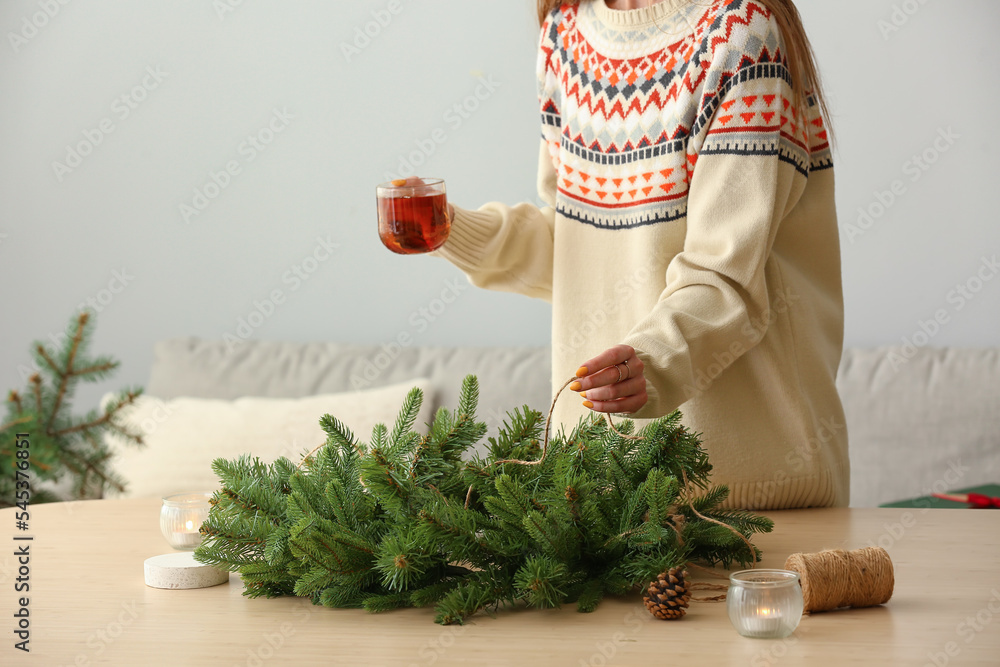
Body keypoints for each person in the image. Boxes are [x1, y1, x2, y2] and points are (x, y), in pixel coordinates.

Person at [430, 0, 849, 509]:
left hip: (751, 497)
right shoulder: (565, 33)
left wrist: (652, 365)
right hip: (598, 496)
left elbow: (725, 280)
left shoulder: (738, 36)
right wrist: (450, 231)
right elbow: (578, 249)